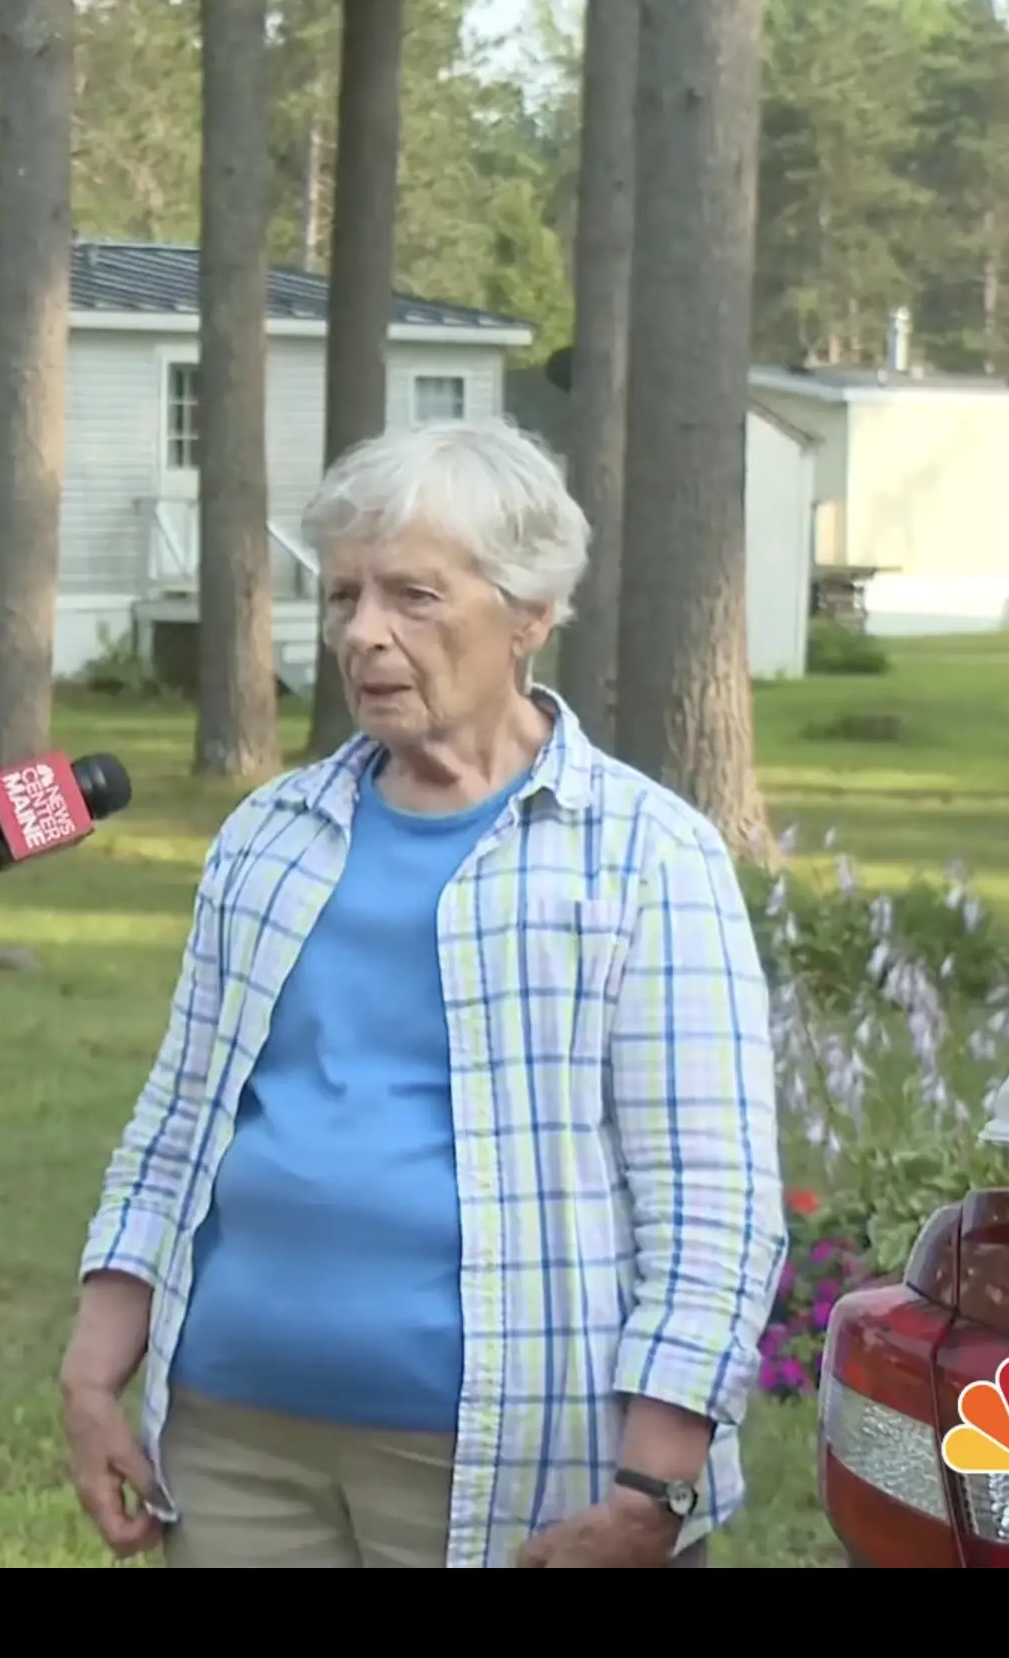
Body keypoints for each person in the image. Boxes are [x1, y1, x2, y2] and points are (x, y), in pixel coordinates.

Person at [56, 417, 783, 1569]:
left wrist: (658, 1483)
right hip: (234, 1439)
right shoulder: (271, 837)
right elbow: (178, 1123)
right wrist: (95, 1372)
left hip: (510, 1456)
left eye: (415, 598)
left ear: (530, 613)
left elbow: (714, 1203)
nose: (365, 635)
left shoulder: (644, 856)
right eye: (345, 598)